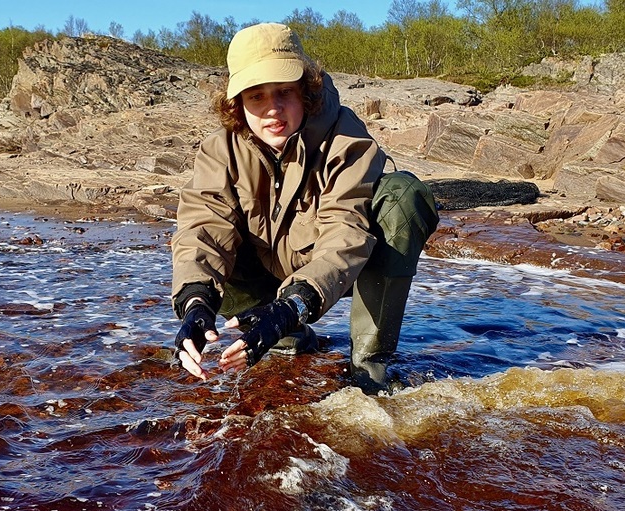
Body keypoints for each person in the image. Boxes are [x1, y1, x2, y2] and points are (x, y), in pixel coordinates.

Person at [171, 22, 438, 394]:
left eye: (284, 92)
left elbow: (346, 230)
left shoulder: (347, 139)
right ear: (236, 103)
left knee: (402, 195)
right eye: (256, 96)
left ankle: (370, 366)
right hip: (265, 270)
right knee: (211, 263)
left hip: (336, 271)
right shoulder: (219, 151)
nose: (272, 110)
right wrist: (195, 304)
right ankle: (284, 338)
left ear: (307, 91)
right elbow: (203, 229)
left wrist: (294, 304)